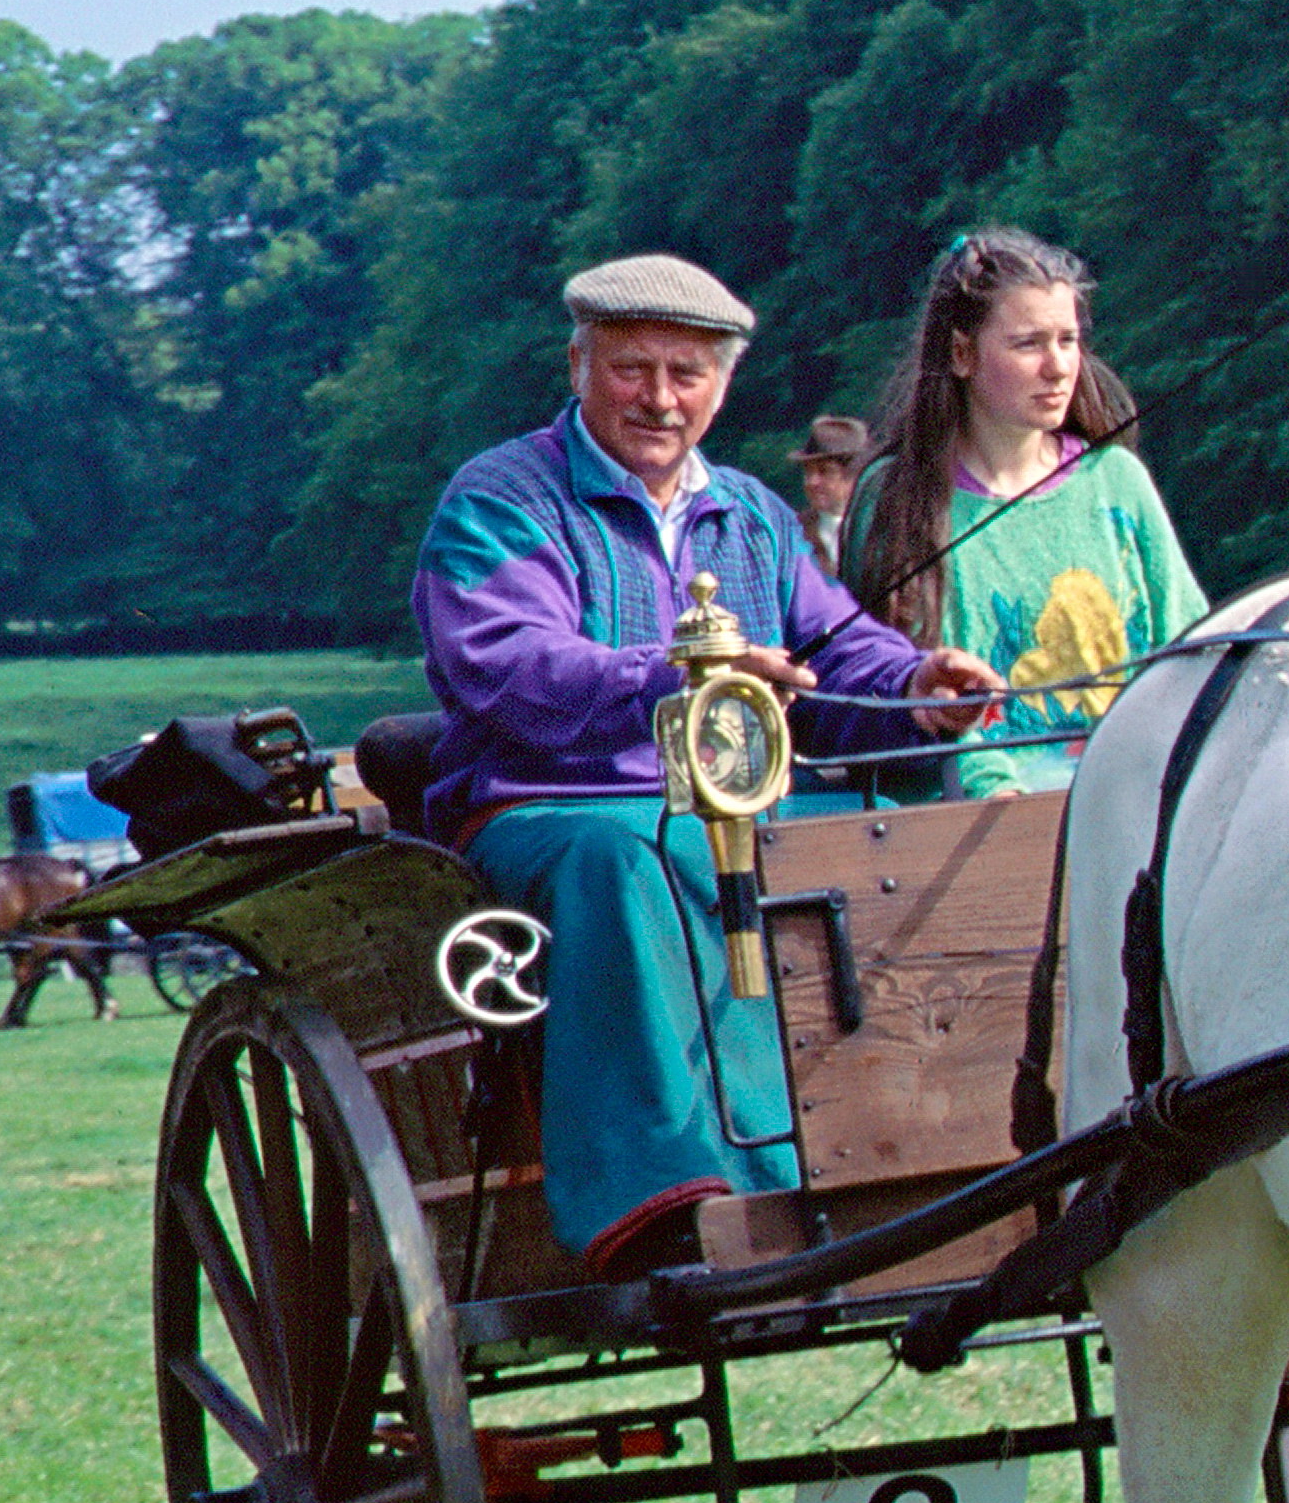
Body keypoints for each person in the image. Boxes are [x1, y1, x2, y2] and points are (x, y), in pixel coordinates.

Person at [414, 253, 1002, 1276]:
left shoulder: (751, 513)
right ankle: (663, 1199)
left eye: (687, 375)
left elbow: (834, 650)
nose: (660, 398)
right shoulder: (500, 501)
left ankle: (920, 1150)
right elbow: (504, 664)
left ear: (723, 386)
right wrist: (679, 674)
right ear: (578, 364)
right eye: (632, 369)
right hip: (552, 809)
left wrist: (920, 686)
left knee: (880, 846)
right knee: (625, 859)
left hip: (732, 806)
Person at [844, 228, 1204, 798]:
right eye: (1029, 344)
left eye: (1069, 339)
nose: (1059, 367)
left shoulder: (1117, 480)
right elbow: (909, 695)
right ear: (962, 354)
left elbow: (1191, 646)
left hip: (1131, 799)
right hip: (969, 819)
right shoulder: (897, 497)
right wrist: (999, 800)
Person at [791, 415, 869, 573]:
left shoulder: (883, 532)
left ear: (855, 474)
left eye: (824, 471)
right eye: (807, 471)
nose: (811, 482)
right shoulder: (792, 534)